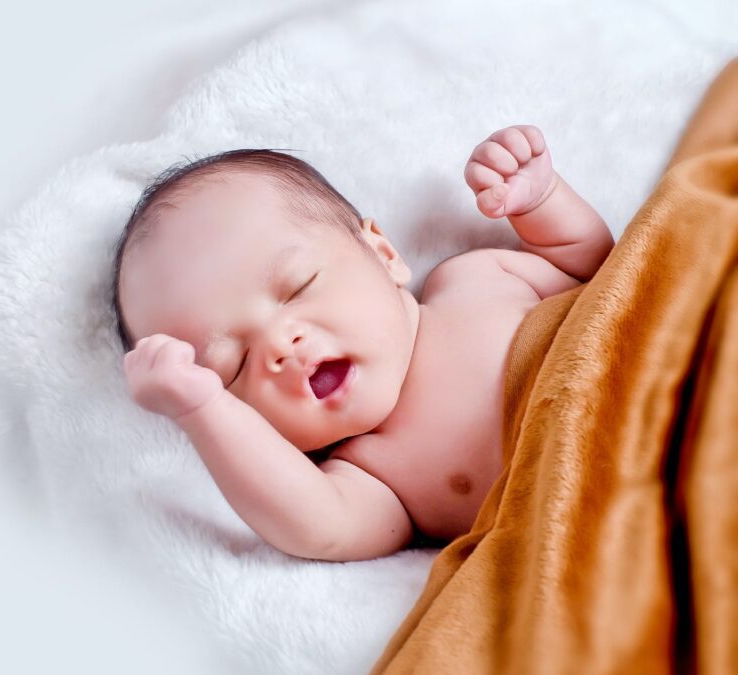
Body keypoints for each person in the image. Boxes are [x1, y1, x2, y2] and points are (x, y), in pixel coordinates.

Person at [110, 126, 614, 561]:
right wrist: (202, 410)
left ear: (383, 252)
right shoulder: (374, 477)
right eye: (233, 366)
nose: (282, 345)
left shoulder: (476, 278)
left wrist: (543, 199)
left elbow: (595, 272)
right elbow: (316, 528)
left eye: (298, 287)